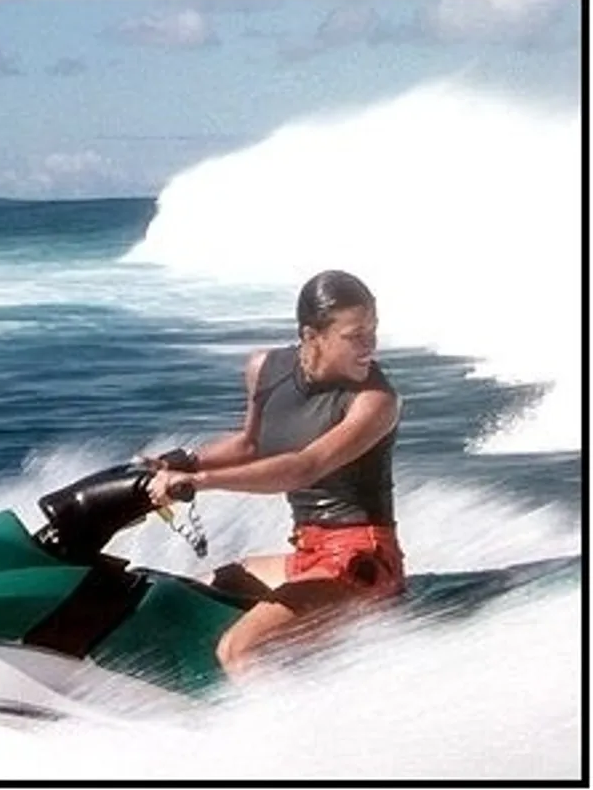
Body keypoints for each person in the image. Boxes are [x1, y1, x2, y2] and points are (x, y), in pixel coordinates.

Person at [145, 269, 404, 678]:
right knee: (190, 593)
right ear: (312, 336)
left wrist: (201, 483)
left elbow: (305, 467)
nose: (370, 346)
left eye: (373, 331)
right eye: (355, 335)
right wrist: (178, 462)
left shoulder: (376, 401)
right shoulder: (266, 368)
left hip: (361, 563)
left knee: (239, 650)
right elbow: (249, 444)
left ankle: (274, 737)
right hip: (306, 554)